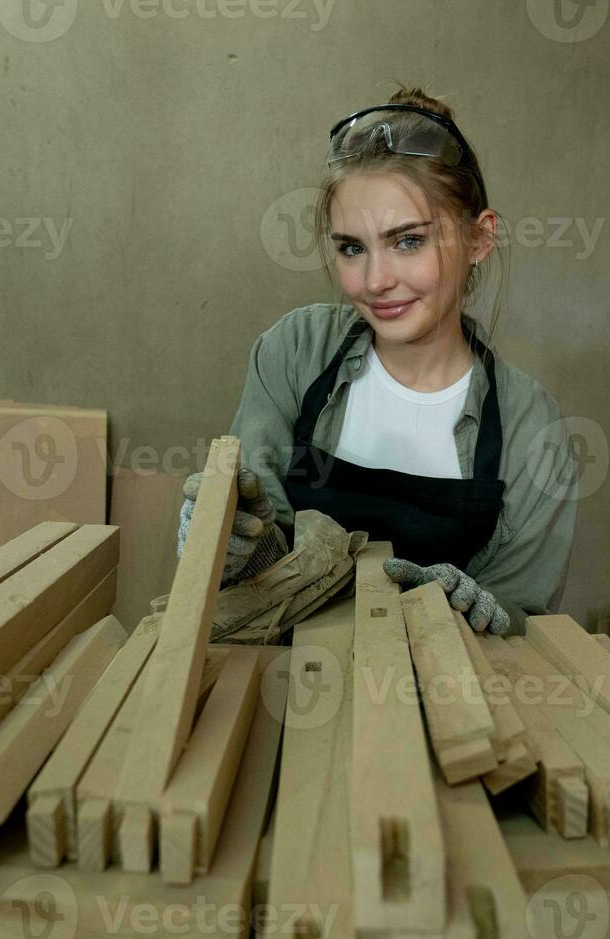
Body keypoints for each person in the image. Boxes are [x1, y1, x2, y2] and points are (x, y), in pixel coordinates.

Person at [179, 86, 577, 635]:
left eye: (408, 241)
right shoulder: (295, 352)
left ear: (480, 238)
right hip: (285, 686)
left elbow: (523, 619)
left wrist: (485, 615)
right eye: (352, 248)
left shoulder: (534, 428)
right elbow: (256, 546)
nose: (374, 282)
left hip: (433, 706)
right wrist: (236, 545)